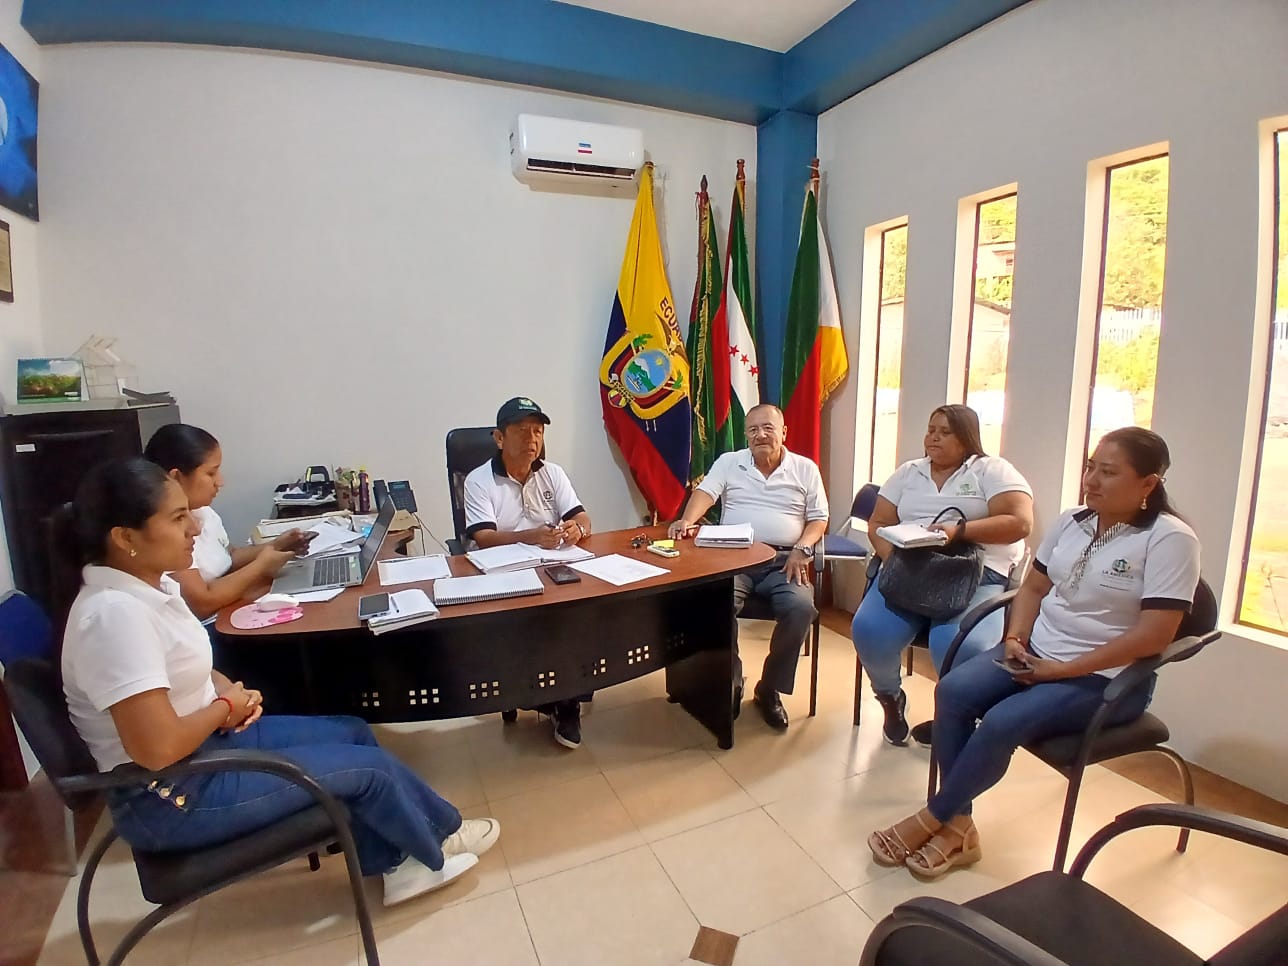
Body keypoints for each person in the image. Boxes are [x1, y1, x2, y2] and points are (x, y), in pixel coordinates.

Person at [54, 457, 499, 906]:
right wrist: (225, 709)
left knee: (352, 731)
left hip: (204, 751)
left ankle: (424, 843)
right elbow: (157, 748)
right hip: (171, 796)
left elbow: (182, 666)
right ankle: (424, 859)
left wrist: (228, 692)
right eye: (178, 518)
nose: (194, 528)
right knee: (369, 772)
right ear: (126, 538)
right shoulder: (113, 617)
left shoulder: (149, 588)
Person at [868, 428, 1200, 880]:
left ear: (1148, 483)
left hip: (1106, 680)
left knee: (1001, 722)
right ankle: (959, 827)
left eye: (1108, 472)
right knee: (952, 692)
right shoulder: (1073, 521)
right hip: (1035, 654)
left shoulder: (1170, 540)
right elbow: (1034, 587)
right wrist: (1015, 639)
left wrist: (1062, 670)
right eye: (1090, 467)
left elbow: (1154, 637)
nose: (1091, 480)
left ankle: (930, 819)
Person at [851, 404, 1033, 746]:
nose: (933, 437)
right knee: (869, 630)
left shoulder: (992, 470)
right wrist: (895, 561)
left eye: (945, 432)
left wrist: (958, 531)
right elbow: (879, 523)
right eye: (931, 429)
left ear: (967, 437)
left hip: (976, 575)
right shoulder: (909, 472)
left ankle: (953, 715)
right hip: (911, 571)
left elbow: (1020, 523)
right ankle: (890, 697)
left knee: (958, 644)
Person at [668, 403, 828, 731]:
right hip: (734, 559)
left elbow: (818, 519)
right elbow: (705, 493)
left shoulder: (805, 468)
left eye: (768, 428)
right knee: (715, 603)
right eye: (753, 429)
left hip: (785, 561)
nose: (760, 435)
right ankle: (731, 680)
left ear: (784, 432)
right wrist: (687, 520)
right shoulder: (730, 462)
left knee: (800, 608)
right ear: (746, 436)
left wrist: (803, 548)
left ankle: (769, 689)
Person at [462, 396, 594, 749]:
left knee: (583, 610)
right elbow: (483, 537)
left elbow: (582, 517)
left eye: (537, 431)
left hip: (553, 568)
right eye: (522, 431)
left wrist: (577, 529)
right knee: (535, 625)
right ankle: (555, 698)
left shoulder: (553, 473)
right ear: (499, 438)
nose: (532, 439)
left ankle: (567, 693)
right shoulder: (479, 480)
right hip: (502, 574)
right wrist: (531, 536)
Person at [143, 424, 313, 620]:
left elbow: (229, 556)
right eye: (211, 473)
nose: (220, 482)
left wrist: (277, 545)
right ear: (176, 477)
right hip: (212, 624)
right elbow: (202, 603)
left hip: (231, 607)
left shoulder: (203, 511)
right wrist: (261, 565)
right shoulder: (163, 532)